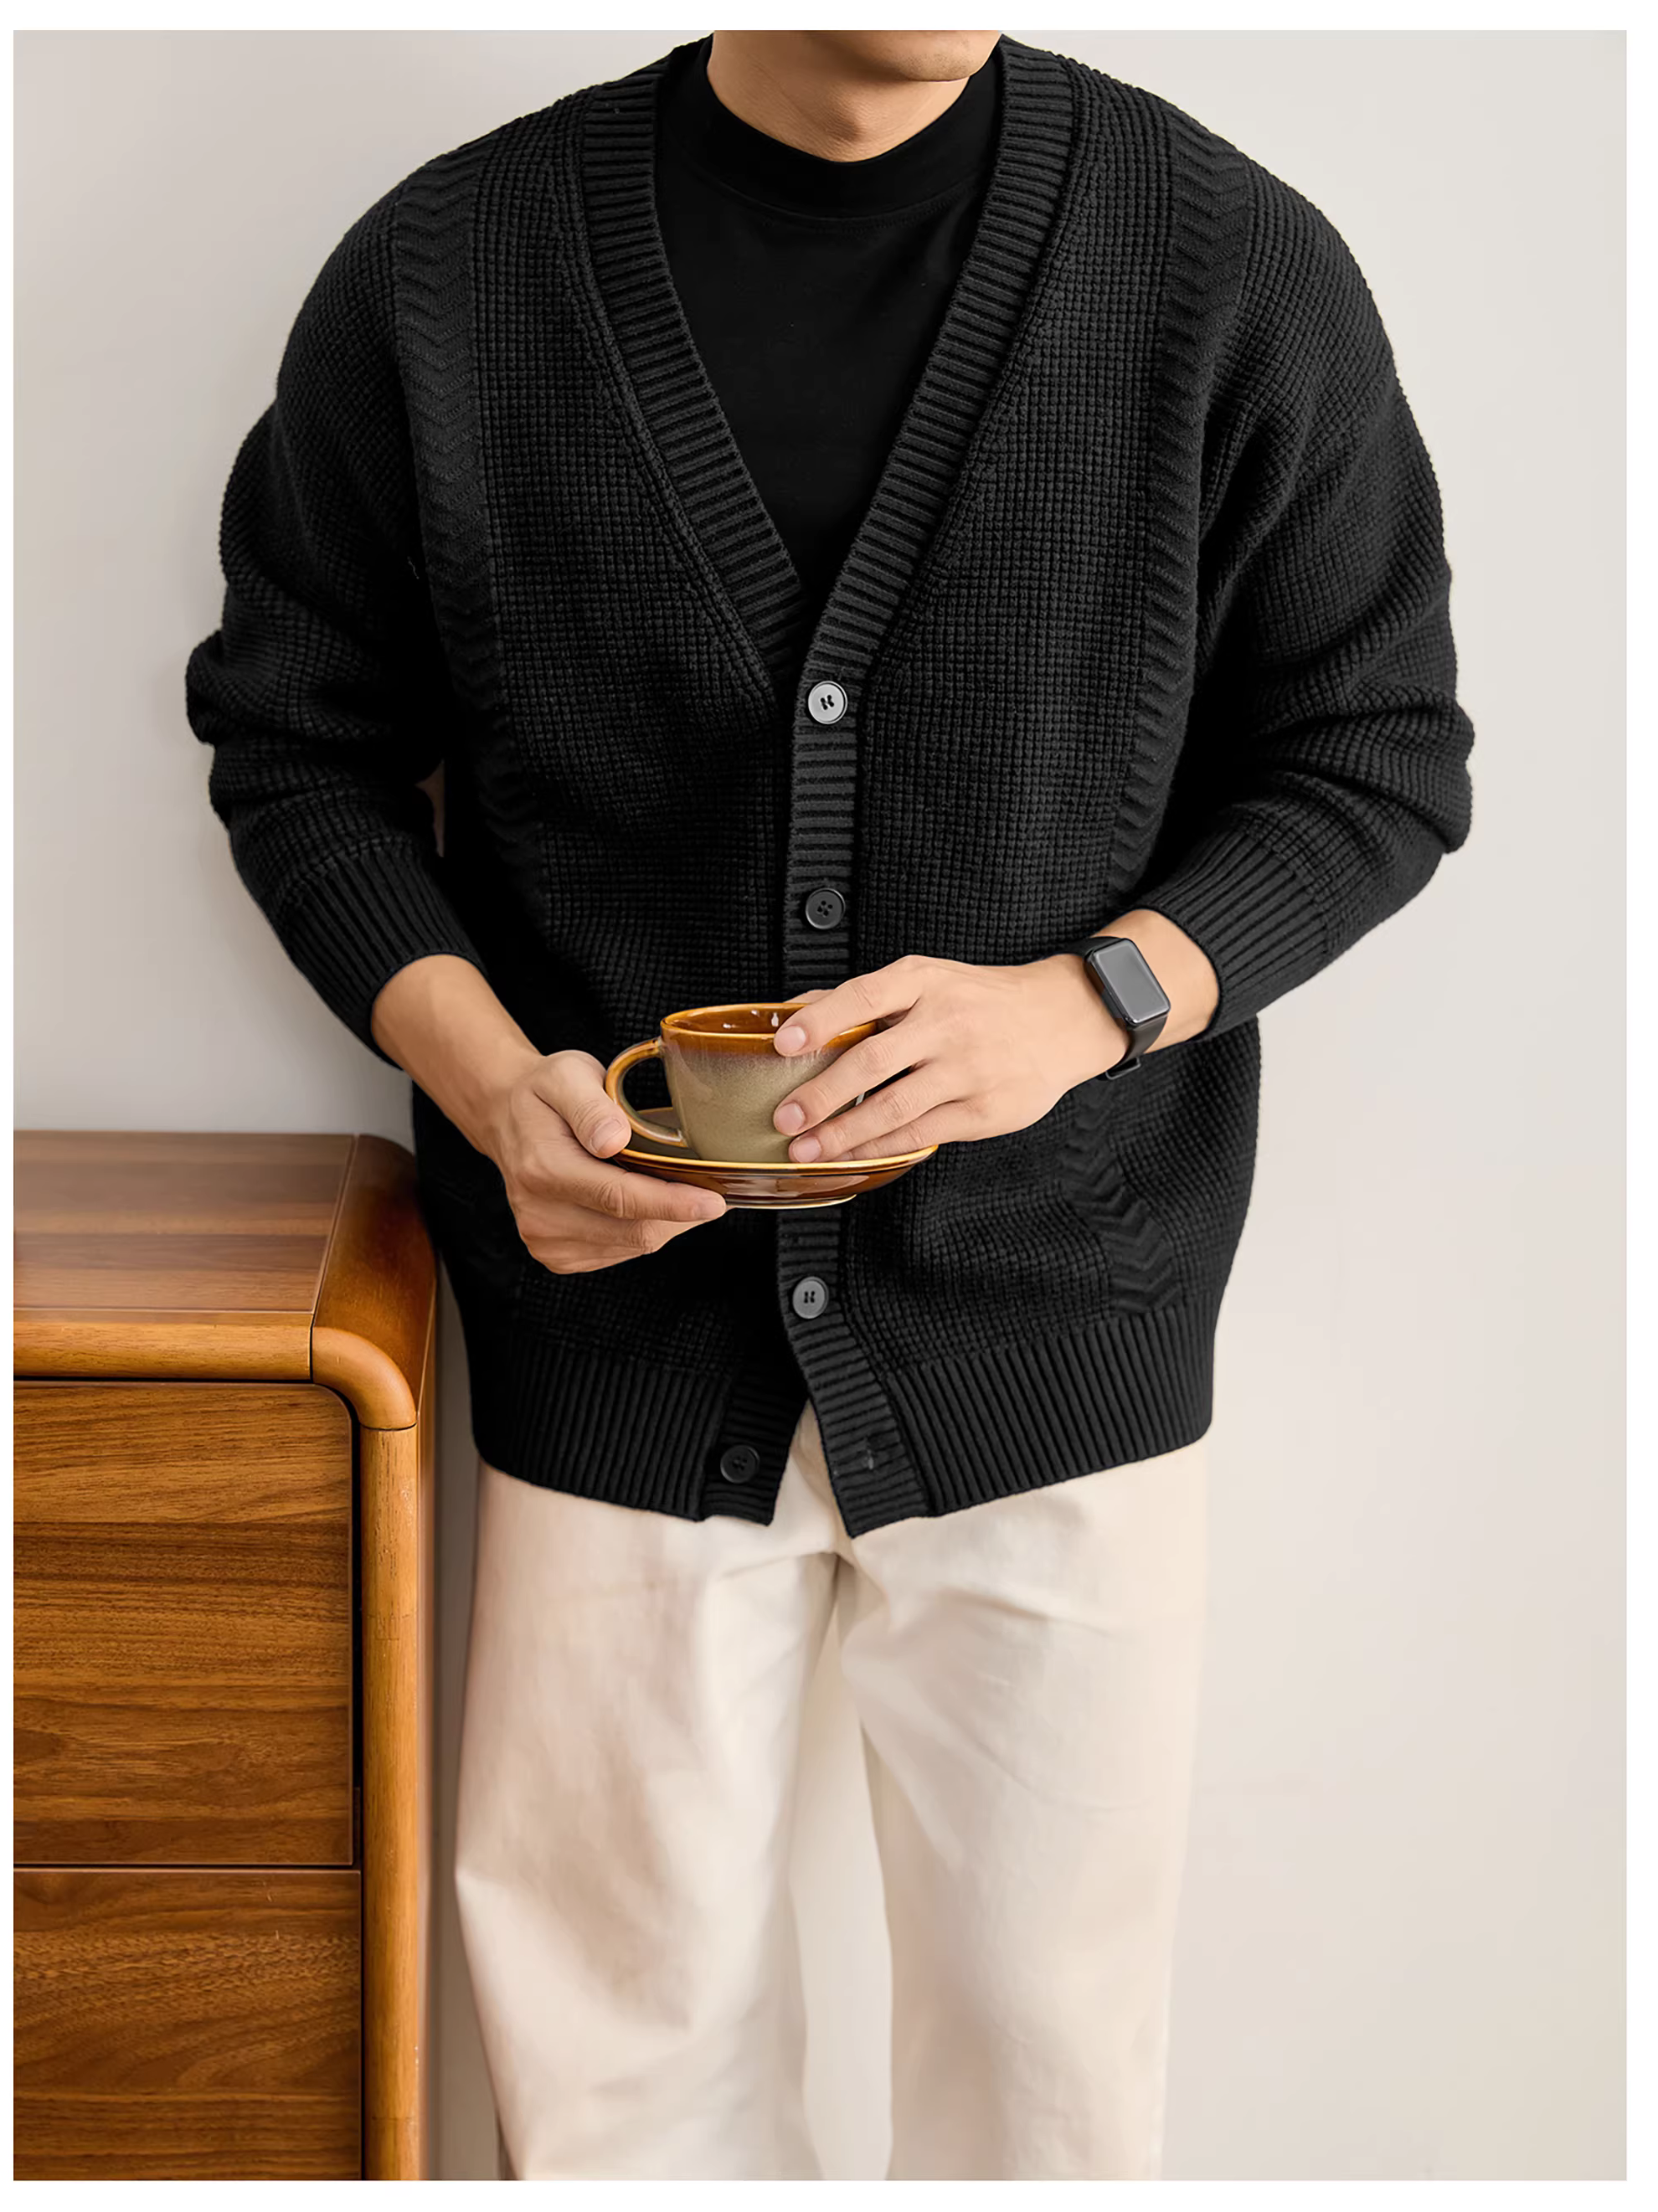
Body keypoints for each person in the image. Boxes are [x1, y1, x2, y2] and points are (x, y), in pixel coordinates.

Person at [184, 27, 1475, 2181]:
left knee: (1046, 2091)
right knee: (613, 2082)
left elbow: (1375, 749)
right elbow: (297, 742)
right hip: (610, 1328)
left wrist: (1087, 1005)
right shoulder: (451, 273)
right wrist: (493, 1088)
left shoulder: (1226, 265)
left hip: (1056, 1319)